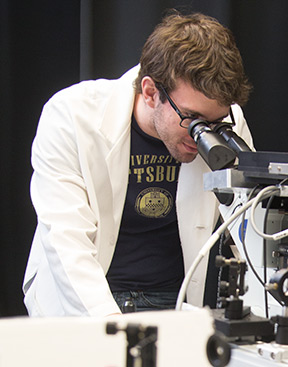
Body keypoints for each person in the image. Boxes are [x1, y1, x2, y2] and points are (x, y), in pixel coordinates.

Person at [22, 10, 254, 316]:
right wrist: (111, 328)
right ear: (149, 92)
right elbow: (66, 241)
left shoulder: (227, 123)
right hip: (82, 296)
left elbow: (247, 230)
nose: (202, 135)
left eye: (214, 121)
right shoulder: (70, 117)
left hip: (173, 302)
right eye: (191, 119)